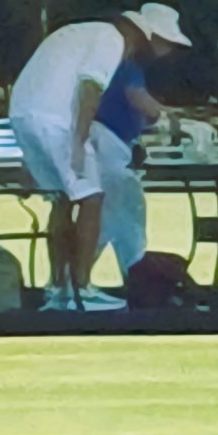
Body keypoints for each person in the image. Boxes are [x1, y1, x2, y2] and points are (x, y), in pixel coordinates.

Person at [7, 2, 189, 309]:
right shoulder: (112, 40)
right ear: (143, 36)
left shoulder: (84, 33)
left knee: (62, 199)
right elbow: (89, 87)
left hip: (25, 113)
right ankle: (82, 289)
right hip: (56, 119)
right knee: (92, 199)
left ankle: (60, 289)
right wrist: (79, 140)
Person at [89, 49, 172, 278]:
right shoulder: (128, 67)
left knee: (117, 219)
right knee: (112, 218)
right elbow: (139, 98)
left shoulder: (106, 64)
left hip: (108, 144)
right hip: (111, 146)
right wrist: (162, 115)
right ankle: (79, 282)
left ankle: (133, 278)